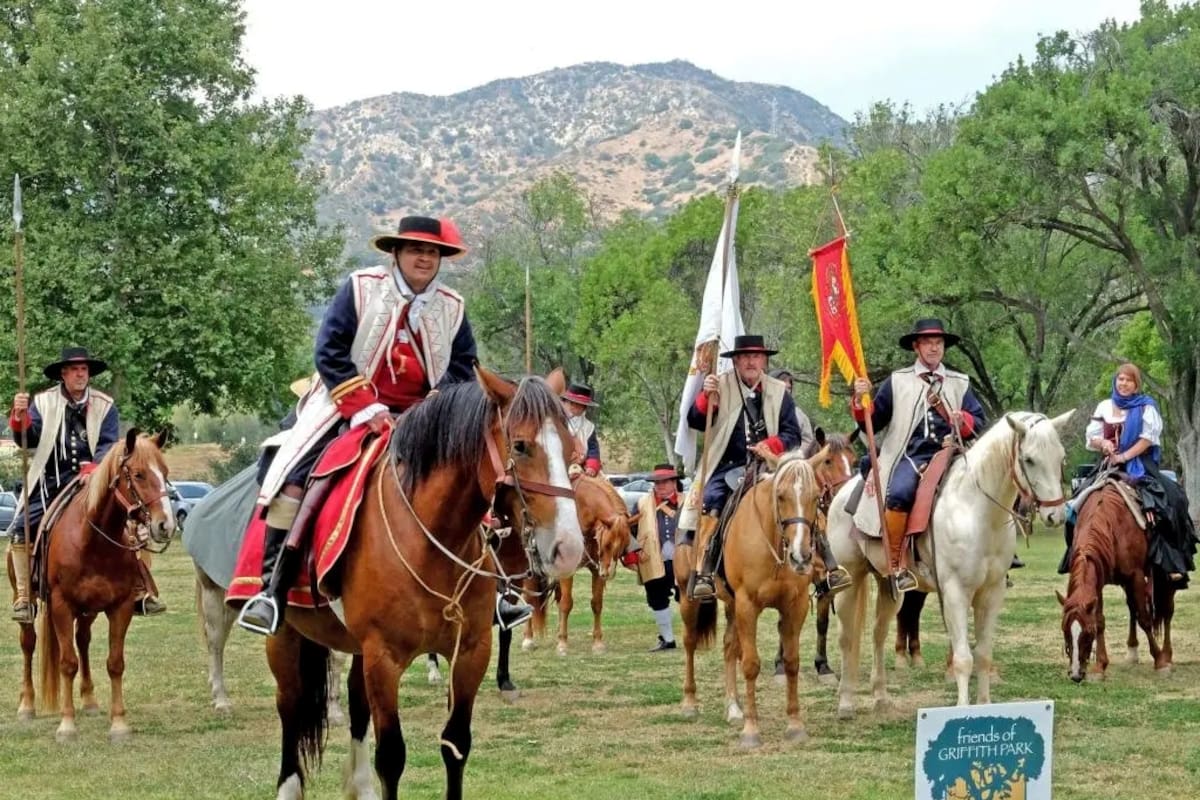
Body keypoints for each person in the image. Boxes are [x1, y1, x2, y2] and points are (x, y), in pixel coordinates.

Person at [237, 215, 485, 635]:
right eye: (415, 250)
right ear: (396, 253)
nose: (424, 258)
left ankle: (501, 591)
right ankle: (271, 589)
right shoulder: (360, 287)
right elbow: (330, 351)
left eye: (432, 252)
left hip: (424, 417)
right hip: (347, 405)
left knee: (485, 473)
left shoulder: (453, 307)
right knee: (294, 474)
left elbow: (463, 367)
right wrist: (365, 407)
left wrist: (433, 410)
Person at [6, 347, 164, 619]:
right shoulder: (43, 402)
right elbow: (27, 440)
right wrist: (20, 419)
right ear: (63, 374)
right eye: (75, 370)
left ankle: (139, 589)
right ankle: (24, 595)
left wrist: (95, 469)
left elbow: (108, 444)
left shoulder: (105, 405)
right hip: (50, 481)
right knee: (21, 527)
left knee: (133, 520)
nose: (81, 374)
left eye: (84, 370)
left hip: (95, 479)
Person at [851, 318, 986, 597]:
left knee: (986, 488)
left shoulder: (960, 382)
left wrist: (963, 420)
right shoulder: (898, 381)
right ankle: (898, 564)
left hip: (951, 453)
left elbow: (979, 420)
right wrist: (860, 400)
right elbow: (872, 423)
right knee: (900, 492)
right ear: (916, 347)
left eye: (938, 343)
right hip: (909, 453)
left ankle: (995, 559)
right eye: (928, 342)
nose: (934, 348)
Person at [685, 334, 802, 601]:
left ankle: (822, 563)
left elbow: (792, 433)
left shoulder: (778, 391)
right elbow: (695, 420)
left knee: (801, 496)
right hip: (728, 466)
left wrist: (771, 445)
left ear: (764, 360)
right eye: (745, 357)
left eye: (756, 356)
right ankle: (705, 569)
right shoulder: (719, 385)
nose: (751, 361)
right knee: (713, 500)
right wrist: (706, 396)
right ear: (736, 361)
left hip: (769, 466)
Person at [1060, 362, 1195, 585]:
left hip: (1140, 465)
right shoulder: (1104, 406)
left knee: (1173, 499)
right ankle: (1074, 556)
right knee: (1075, 506)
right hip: (1107, 466)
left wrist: (1123, 456)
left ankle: (1171, 561)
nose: (1123, 383)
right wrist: (1103, 442)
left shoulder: (1146, 407)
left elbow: (1147, 440)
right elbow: (1090, 439)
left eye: (1129, 380)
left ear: (1136, 384)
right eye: (1120, 379)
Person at [627, 463, 684, 650]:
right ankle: (668, 639)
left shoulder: (688, 501)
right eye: (657, 482)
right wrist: (633, 555)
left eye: (665, 482)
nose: (660, 486)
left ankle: (692, 636)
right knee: (656, 599)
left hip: (683, 559)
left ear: (674, 482)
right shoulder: (642, 503)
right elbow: (630, 531)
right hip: (652, 558)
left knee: (687, 598)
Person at [767, 368, 817, 457]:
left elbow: (807, 440)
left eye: (789, 388)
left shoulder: (799, 415)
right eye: (782, 387)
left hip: (792, 462)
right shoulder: (758, 410)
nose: (786, 391)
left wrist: (795, 454)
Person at [562, 383, 602, 477]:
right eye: (571, 403)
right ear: (565, 403)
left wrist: (591, 466)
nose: (574, 407)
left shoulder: (589, 427)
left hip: (582, 465)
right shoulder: (558, 422)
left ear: (584, 408)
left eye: (579, 405)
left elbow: (593, 449)